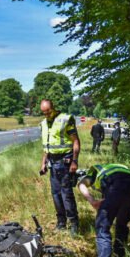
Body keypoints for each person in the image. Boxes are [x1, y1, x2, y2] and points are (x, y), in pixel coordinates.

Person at [77, 163, 130, 257]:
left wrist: (92, 201)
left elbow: (81, 184)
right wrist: (124, 207)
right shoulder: (120, 168)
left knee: (102, 227)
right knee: (122, 225)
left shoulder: (95, 172)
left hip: (116, 186)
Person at [39, 99, 80, 235]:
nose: (47, 115)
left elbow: (76, 141)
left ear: (53, 108)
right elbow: (47, 146)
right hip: (53, 162)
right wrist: (43, 163)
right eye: (44, 113)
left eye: (48, 112)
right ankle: (61, 222)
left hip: (65, 162)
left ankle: (74, 223)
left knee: (66, 193)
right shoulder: (44, 123)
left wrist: (75, 161)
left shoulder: (66, 119)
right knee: (56, 194)